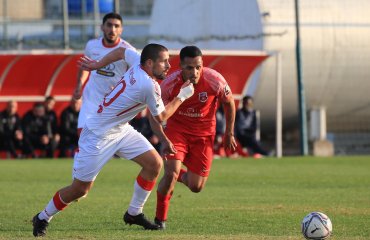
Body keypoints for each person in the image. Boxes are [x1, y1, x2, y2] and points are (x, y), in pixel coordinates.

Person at [32, 43, 195, 237]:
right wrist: (182, 96)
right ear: (150, 63)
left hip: (120, 129)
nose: (169, 66)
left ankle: (134, 213)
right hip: (98, 136)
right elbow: (161, 116)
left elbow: (120, 52)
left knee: (154, 164)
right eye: (164, 61)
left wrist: (97, 64)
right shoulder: (148, 85)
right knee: (80, 189)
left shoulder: (138, 61)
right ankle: (42, 217)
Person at [151, 46, 237, 229]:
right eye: (189, 68)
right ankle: (160, 219)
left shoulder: (215, 80)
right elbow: (158, 114)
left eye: (198, 67)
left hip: (204, 136)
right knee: (171, 173)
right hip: (177, 131)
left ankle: (178, 176)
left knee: (196, 186)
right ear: (181, 66)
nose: (195, 72)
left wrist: (229, 132)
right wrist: (162, 138)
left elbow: (229, 103)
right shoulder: (168, 85)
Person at [72, 12, 137, 133]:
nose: (112, 29)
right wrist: (79, 85)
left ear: (121, 30)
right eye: (109, 25)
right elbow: (84, 67)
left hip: (114, 101)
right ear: (102, 27)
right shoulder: (92, 45)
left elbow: (133, 76)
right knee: (83, 133)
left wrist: (123, 90)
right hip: (92, 97)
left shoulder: (128, 50)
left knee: (111, 139)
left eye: (116, 26)